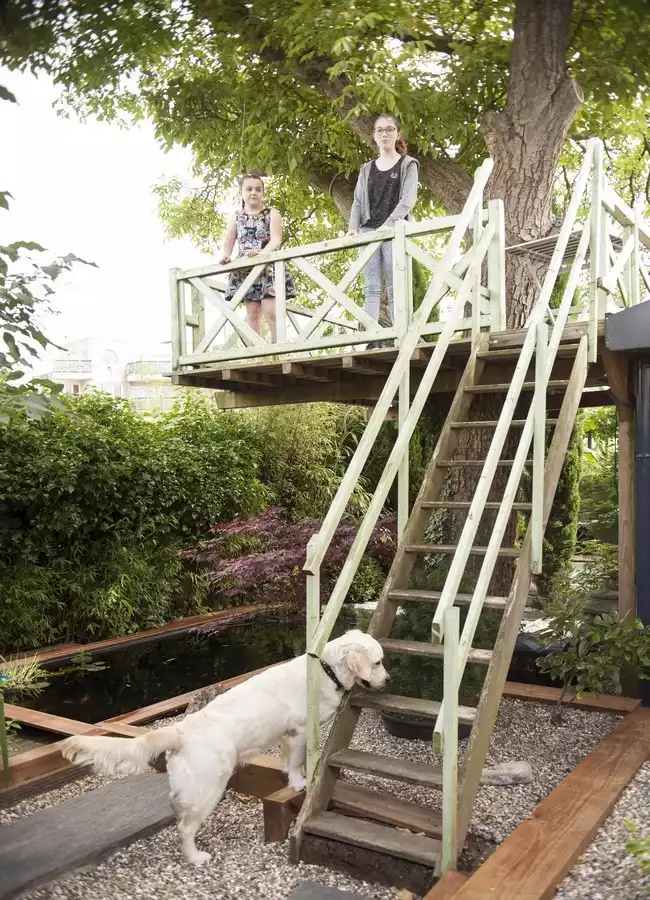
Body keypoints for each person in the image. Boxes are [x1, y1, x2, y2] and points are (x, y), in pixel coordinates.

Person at [348, 114, 419, 347]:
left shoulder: (408, 164)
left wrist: (388, 226)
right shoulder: (366, 169)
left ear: (397, 134)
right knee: (371, 287)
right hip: (369, 230)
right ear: (374, 136)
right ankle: (371, 337)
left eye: (389, 129)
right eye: (380, 130)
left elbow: (408, 200)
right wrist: (352, 228)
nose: (385, 134)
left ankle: (400, 336)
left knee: (394, 284)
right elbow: (358, 202)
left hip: (395, 230)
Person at [219, 174, 295, 344]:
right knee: (252, 314)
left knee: (271, 312)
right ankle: (258, 355)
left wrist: (262, 254)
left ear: (263, 193)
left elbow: (276, 239)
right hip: (246, 270)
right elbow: (229, 240)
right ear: (241, 192)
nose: (253, 192)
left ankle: (279, 351)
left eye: (258, 189)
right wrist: (226, 255)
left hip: (268, 268)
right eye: (249, 189)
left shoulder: (271, 213)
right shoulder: (236, 217)